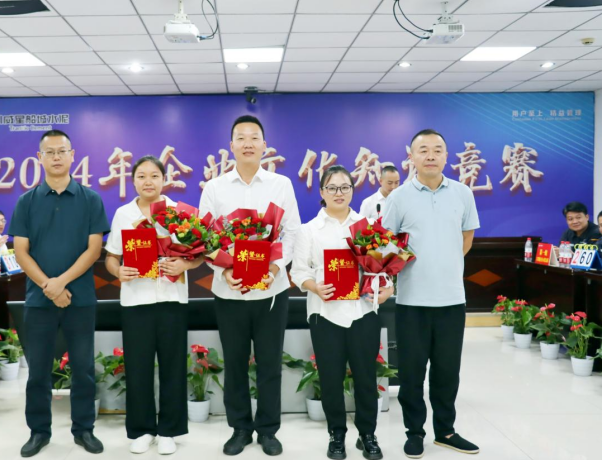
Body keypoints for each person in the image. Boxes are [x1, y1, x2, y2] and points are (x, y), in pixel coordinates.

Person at [199, 115, 301, 457]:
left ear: (264, 145)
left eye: (254, 137)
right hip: (229, 292)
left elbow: (292, 232)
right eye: (240, 138)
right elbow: (206, 238)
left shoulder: (280, 184)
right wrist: (224, 271)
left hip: (272, 291)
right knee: (235, 363)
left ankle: (268, 430)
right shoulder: (214, 188)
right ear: (231, 146)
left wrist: (274, 267)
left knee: (270, 363)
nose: (247, 143)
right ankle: (240, 428)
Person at [9, 129, 110, 458]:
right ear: (39, 158)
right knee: (38, 371)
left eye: (61, 151)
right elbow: (21, 252)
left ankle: (84, 429)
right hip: (39, 301)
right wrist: (49, 288)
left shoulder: (90, 199)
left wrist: (61, 283)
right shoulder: (26, 202)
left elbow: (94, 250)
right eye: (49, 152)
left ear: (72, 155)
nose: (56, 157)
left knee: (83, 369)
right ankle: (39, 431)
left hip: (80, 300)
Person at [382, 129, 480, 458]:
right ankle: (414, 432)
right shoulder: (398, 197)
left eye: (437, 150)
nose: (430, 155)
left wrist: (445, 264)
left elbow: (466, 238)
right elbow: (386, 244)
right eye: (423, 150)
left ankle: (446, 431)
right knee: (412, 372)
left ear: (446, 156)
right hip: (412, 301)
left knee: (447, 371)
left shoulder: (463, 193)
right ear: (411, 156)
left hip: (452, 299)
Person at [290, 165, 393, 460]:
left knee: (366, 377)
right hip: (325, 314)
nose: (339, 193)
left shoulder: (367, 226)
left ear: (352, 190)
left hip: (363, 312)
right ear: (322, 192)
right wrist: (314, 286)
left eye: (345, 187)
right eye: (332, 188)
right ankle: (336, 435)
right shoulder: (309, 230)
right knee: (331, 379)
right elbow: (299, 271)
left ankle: (367, 434)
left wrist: (386, 288)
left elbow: (384, 267)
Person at [105, 156, 204, 455]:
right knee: (138, 367)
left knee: (174, 366)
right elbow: (111, 257)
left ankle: (169, 430)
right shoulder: (123, 214)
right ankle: (141, 430)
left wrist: (184, 265)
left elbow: (200, 254)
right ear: (133, 181)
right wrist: (118, 271)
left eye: (154, 175)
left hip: (172, 299)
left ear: (164, 179)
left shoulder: (179, 212)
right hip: (136, 300)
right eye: (141, 176)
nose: (148, 181)